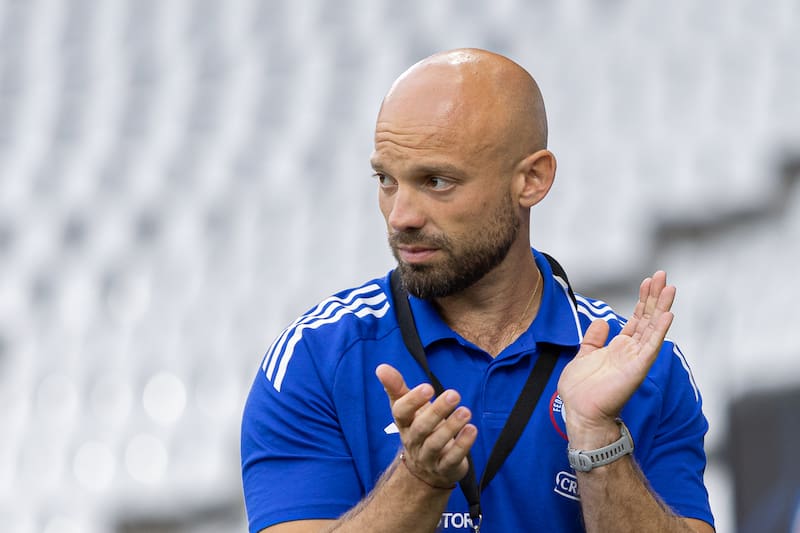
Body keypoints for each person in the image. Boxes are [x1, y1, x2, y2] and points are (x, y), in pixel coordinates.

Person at [241, 48, 715, 532]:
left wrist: (599, 442)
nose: (401, 216)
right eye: (386, 179)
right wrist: (419, 480)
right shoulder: (315, 357)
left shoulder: (641, 366)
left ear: (532, 179)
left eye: (437, 181)